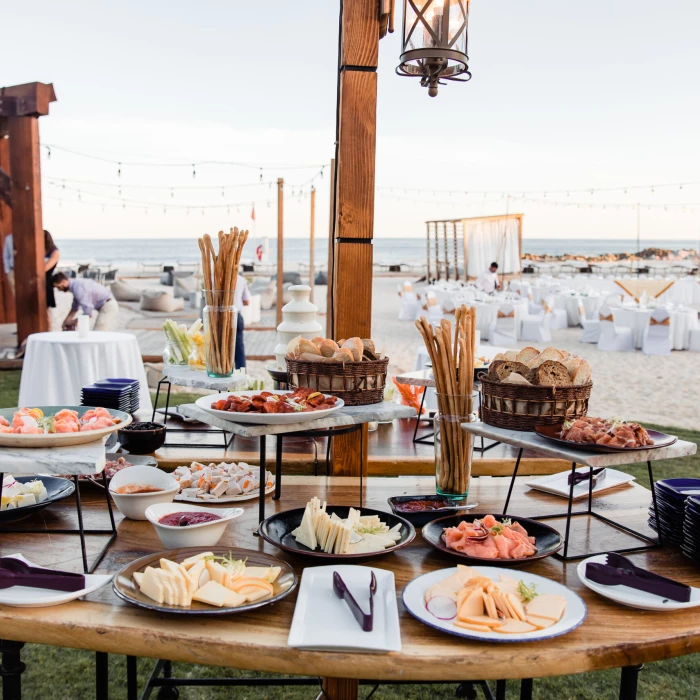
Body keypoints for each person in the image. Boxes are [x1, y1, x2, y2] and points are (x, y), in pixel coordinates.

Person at [52, 272, 119, 331]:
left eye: (58, 287)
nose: (59, 290)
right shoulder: (76, 285)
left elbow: (88, 313)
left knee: (99, 333)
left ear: (63, 281)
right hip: (106, 304)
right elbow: (74, 308)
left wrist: (75, 322)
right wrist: (66, 321)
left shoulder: (79, 289)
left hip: (108, 306)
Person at [233, 273, 251, 369]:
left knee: (219, 349)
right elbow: (247, 301)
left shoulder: (213, 278)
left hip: (217, 317)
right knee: (238, 348)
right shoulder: (240, 279)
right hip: (236, 315)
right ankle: (241, 374)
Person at [44, 230, 61, 329]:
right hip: (37, 282)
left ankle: (48, 330)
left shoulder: (54, 252)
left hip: (46, 282)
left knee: (46, 310)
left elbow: (45, 268)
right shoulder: (40, 251)